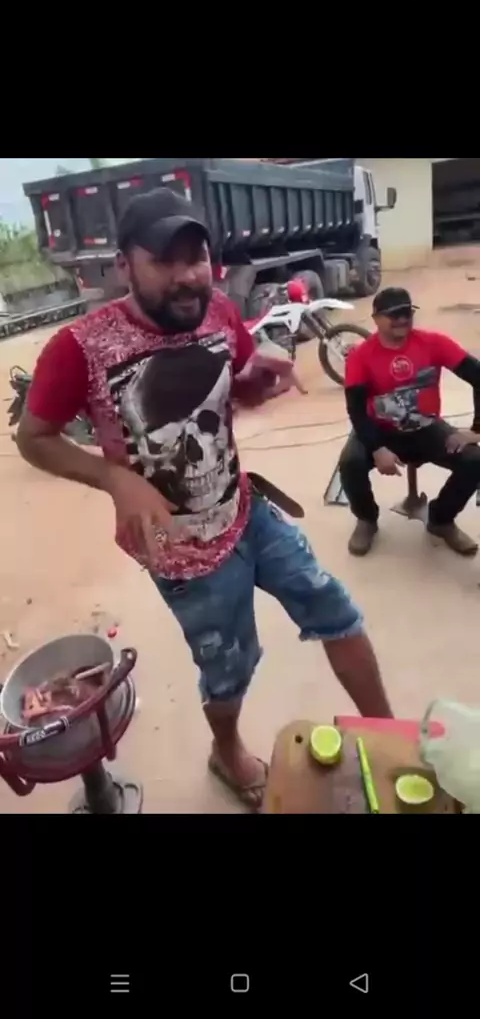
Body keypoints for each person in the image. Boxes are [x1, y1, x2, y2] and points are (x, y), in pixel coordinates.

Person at [17, 188, 393, 811]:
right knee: (230, 669)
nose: (186, 275)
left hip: (246, 509)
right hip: (182, 554)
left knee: (335, 608)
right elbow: (33, 438)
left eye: (195, 257)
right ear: (124, 266)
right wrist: (114, 478)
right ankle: (227, 750)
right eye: (164, 260)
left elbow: (231, 386)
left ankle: (389, 738)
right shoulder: (79, 347)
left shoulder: (217, 309)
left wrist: (254, 383)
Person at [340, 286, 480, 557]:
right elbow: (356, 410)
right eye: (394, 315)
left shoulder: (434, 343)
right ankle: (366, 518)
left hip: (426, 428)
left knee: (474, 461)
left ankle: (441, 520)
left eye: (407, 313)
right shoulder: (360, 356)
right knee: (350, 463)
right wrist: (377, 448)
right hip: (379, 429)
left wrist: (476, 430)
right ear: (376, 318)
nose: (402, 319)